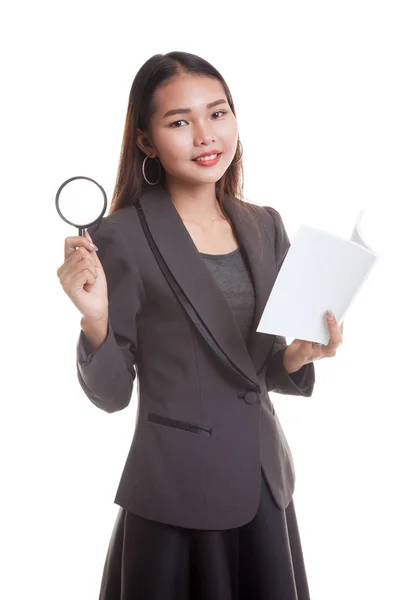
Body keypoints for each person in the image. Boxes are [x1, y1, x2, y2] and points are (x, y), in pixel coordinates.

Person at [57, 51, 344, 600]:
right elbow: (113, 394)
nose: (205, 135)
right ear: (146, 141)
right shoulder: (120, 237)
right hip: (176, 492)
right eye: (179, 122)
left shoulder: (264, 225)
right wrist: (94, 321)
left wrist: (295, 356)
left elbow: (254, 368)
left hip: (263, 483)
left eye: (217, 113)